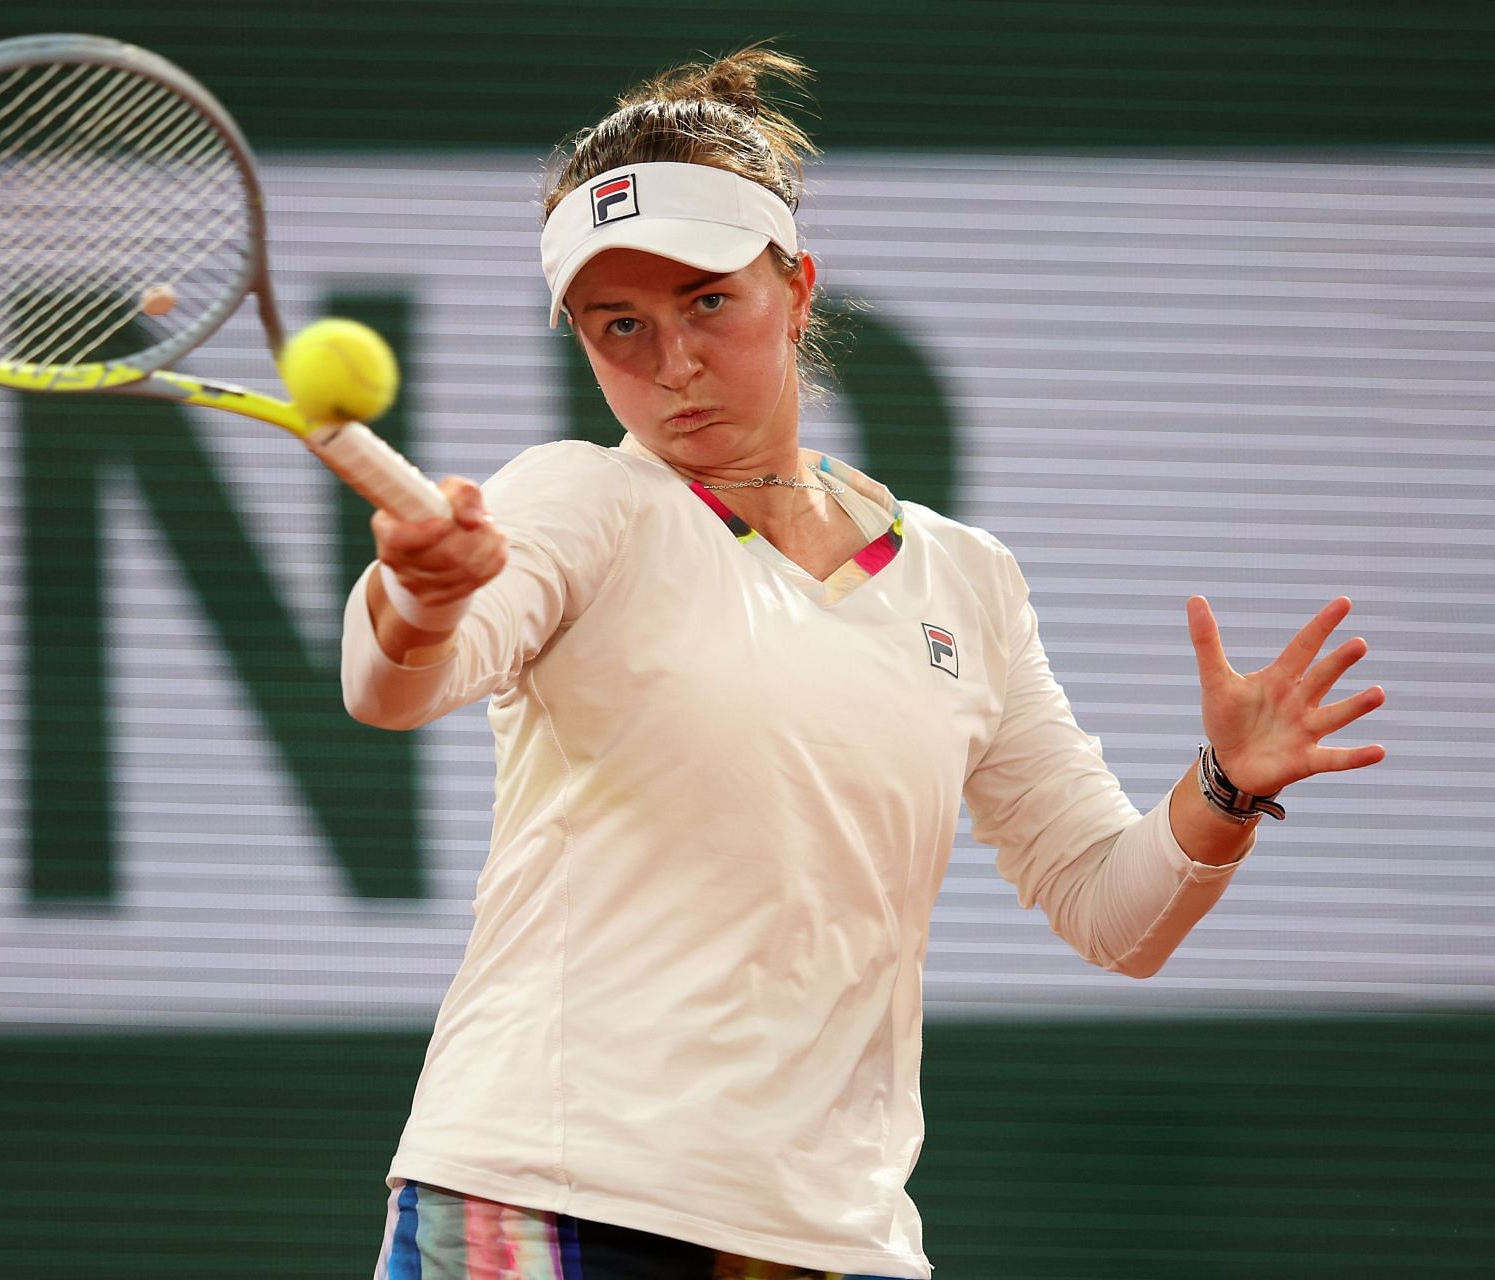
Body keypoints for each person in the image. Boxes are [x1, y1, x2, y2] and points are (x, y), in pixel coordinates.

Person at [342, 47, 1387, 1280]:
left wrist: (1222, 790)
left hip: (836, 1237)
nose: (671, 363)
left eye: (708, 304)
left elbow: (1116, 914)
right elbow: (392, 684)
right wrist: (419, 595)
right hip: (552, 1194)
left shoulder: (967, 582)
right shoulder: (583, 500)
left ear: (797, 289)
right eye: (620, 324)